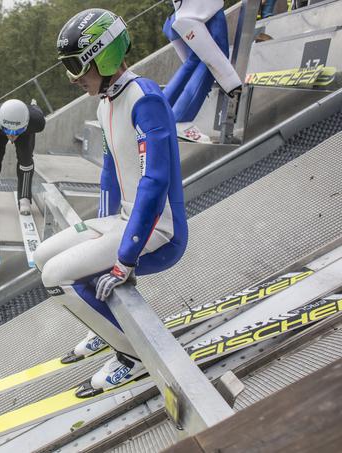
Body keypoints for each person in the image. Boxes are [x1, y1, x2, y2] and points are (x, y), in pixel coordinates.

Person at [35, 8, 188, 397]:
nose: (73, 78)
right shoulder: (105, 103)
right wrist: (100, 231)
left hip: (158, 229)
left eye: (77, 66)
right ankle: (105, 327)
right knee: (43, 255)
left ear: (102, 57)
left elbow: (155, 181)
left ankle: (134, 357)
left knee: (56, 276)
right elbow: (109, 170)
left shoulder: (145, 100)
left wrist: (124, 258)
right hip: (123, 219)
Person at [162, 0, 242, 143]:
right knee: (211, 56)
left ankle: (159, 112)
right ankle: (181, 118)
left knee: (194, 61)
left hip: (181, 10)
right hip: (202, 8)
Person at [0, 98, 45, 215]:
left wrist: (34, 106)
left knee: (26, 160)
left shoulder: (37, 122)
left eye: (16, 131)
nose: (12, 135)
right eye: (8, 131)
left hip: (25, 128)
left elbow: (38, 112)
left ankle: (24, 198)